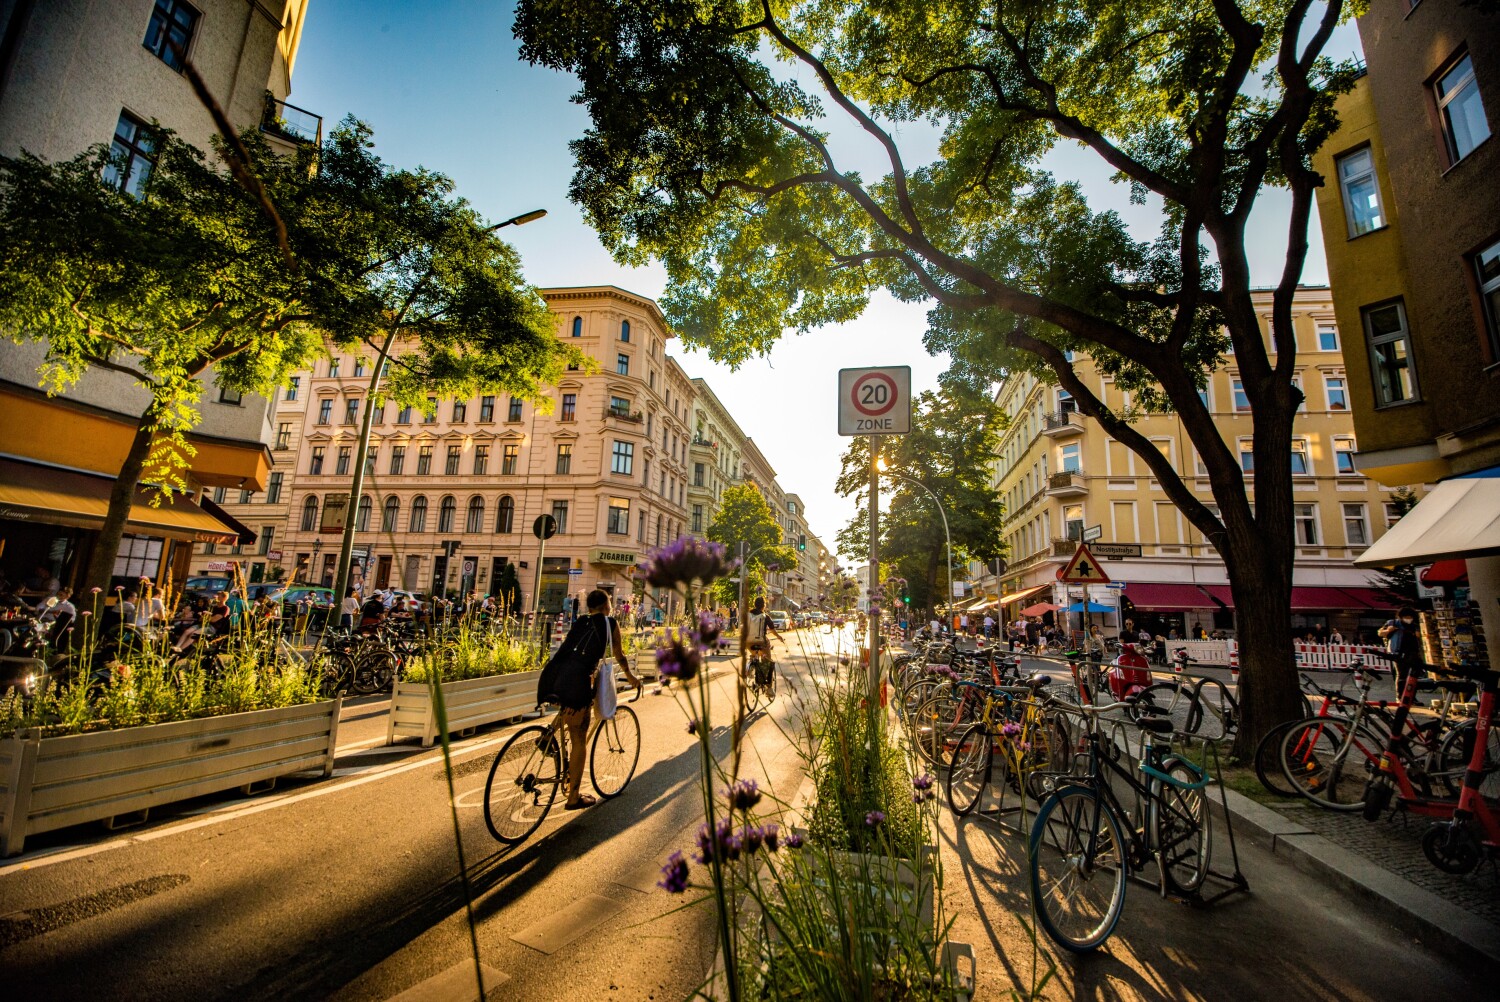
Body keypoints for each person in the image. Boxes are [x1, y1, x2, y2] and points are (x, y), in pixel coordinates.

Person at [549, 590, 641, 810]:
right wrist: (630, 677)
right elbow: (619, 654)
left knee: (567, 708)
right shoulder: (609, 624)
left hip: (555, 677)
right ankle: (573, 797)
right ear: (606, 606)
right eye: (609, 603)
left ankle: (547, 736)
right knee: (579, 739)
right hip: (579, 683)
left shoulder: (581, 621)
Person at [1379, 606, 1425, 694]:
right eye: (1407, 617)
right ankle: (1400, 695)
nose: (1409, 619)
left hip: (1413, 652)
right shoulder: (1393, 623)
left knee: (1413, 675)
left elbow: (1419, 637)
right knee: (1402, 674)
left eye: (1410, 617)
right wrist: (1388, 630)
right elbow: (1380, 633)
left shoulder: (1414, 625)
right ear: (1401, 616)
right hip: (1398, 652)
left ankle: (1412, 696)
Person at [743, 596, 786, 667]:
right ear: (764, 606)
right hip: (761, 642)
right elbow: (772, 630)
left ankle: (751, 664)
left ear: (755, 605)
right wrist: (779, 637)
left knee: (754, 653)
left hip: (748, 642)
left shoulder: (748, 615)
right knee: (767, 659)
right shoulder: (765, 616)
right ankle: (765, 668)